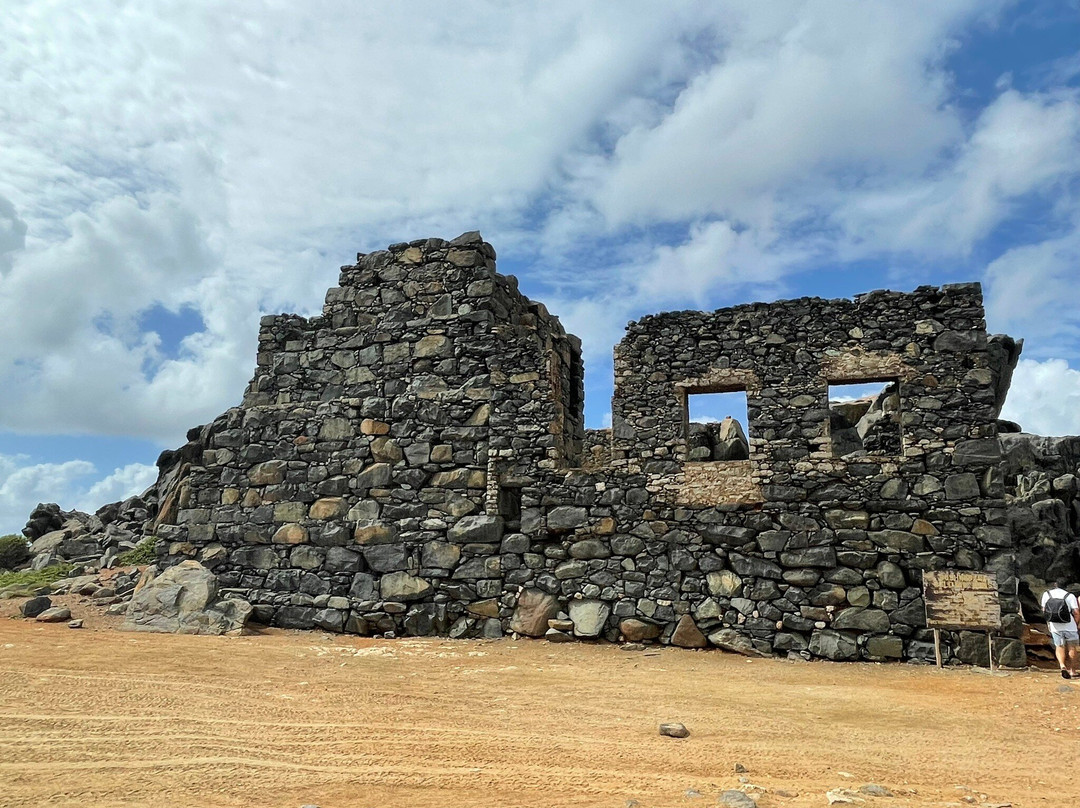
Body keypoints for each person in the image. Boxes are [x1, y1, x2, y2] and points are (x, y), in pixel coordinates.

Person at [1041, 581, 1080, 679]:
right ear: (1066, 586)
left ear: (1055, 585)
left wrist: (1049, 623)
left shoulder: (1047, 594)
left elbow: (1044, 610)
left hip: (1055, 626)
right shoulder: (1070, 596)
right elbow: (1076, 612)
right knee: (1072, 647)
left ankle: (1062, 666)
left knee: (1059, 646)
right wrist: (1076, 624)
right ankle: (1072, 670)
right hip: (1070, 626)